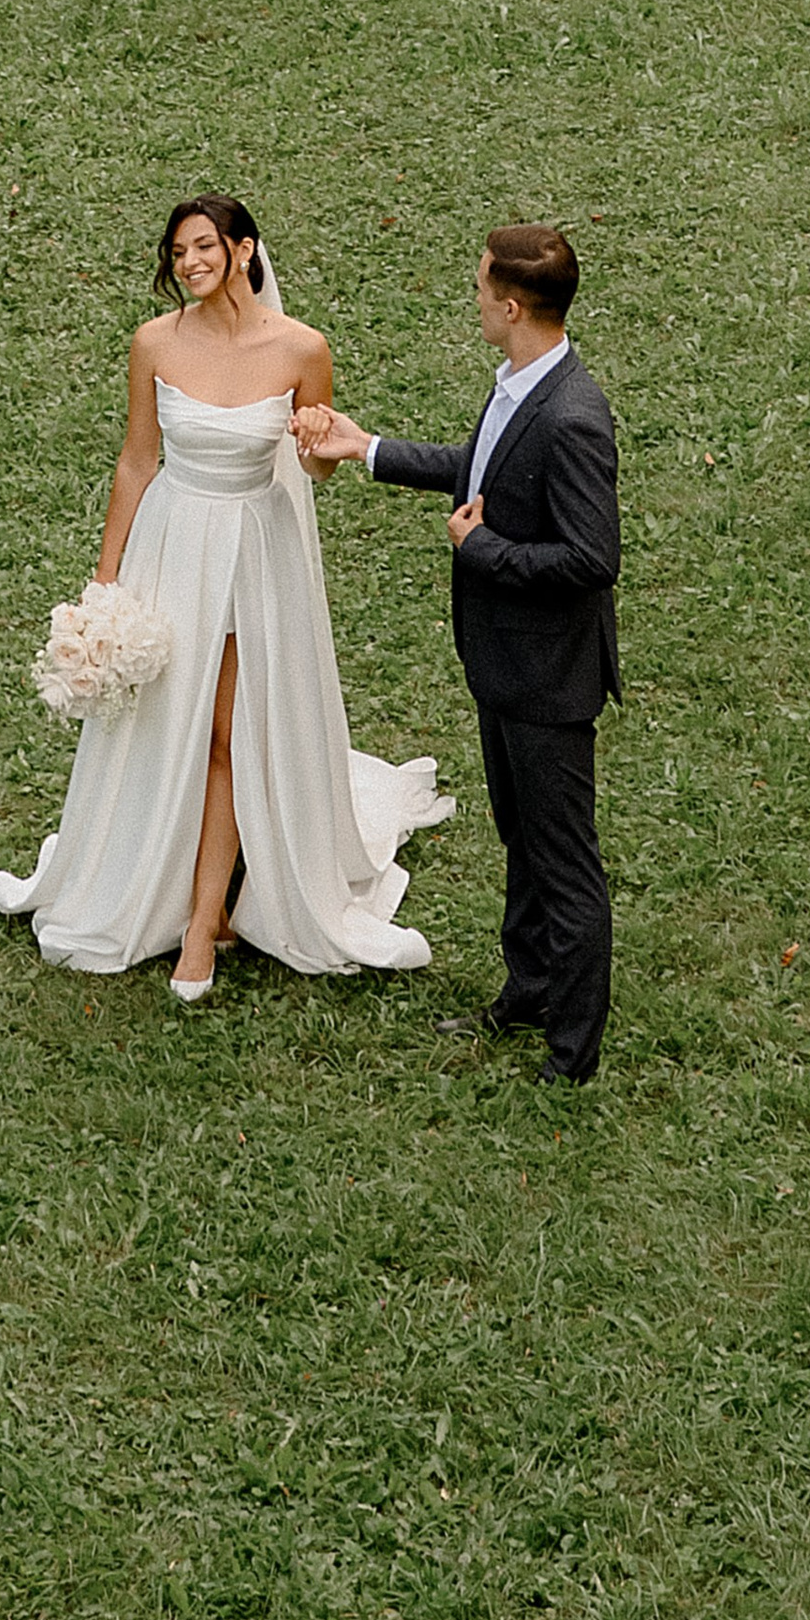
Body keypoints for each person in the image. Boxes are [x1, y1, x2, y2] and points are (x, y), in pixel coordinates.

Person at [0, 194, 452, 1001]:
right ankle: (158, 880)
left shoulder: (302, 348)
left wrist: (319, 448)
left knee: (230, 732)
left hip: (255, 551)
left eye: (204, 247)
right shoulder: (154, 343)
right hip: (173, 544)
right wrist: (106, 578)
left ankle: (206, 925)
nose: (190, 264)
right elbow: (136, 461)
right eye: (178, 253)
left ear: (242, 250)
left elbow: (316, 466)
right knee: (173, 725)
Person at [299, 225, 618, 1083]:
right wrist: (362, 448)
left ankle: (572, 1050)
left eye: (482, 288)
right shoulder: (522, 381)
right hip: (505, 665)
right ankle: (530, 989)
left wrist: (480, 554)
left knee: (564, 859)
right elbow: (477, 468)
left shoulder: (574, 417)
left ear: (511, 307)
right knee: (521, 835)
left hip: (549, 679)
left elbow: (593, 559)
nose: (474, 297)